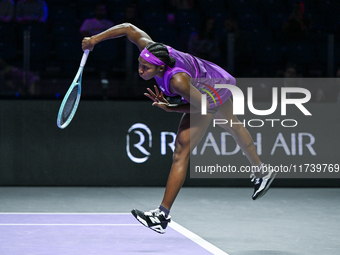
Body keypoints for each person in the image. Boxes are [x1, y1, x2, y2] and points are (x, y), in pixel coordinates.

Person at [81, 23, 276, 234]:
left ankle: (161, 215)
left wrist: (170, 107)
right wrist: (94, 40)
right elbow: (128, 28)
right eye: (139, 64)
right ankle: (262, 171)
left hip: (212, 89)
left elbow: (203, 107)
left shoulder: (178, 81)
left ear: (161, 68)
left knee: (182, 150)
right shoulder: (151, 50)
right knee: (233, 126)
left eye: (146, 68)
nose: (140, 70)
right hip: (212, 77)